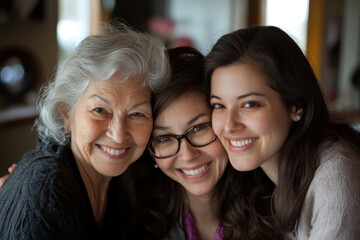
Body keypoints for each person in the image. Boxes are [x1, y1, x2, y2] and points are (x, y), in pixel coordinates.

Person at [0, 21, 170, 240]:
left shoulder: (127, 180)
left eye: (137, 114)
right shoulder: (46, 192)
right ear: (67, 113)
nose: (118, 134)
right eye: (99, 110)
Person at [205, 25, 360, 239]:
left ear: (295, 106)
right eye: (218, 105)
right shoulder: (258, 178)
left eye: (250, 104)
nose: (229, 125)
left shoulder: (335, 179)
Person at [128, 46, 281, 240]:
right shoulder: (139, 224)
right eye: (164, 139)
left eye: (199, 128)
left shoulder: (279, 211)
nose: (187, 155)